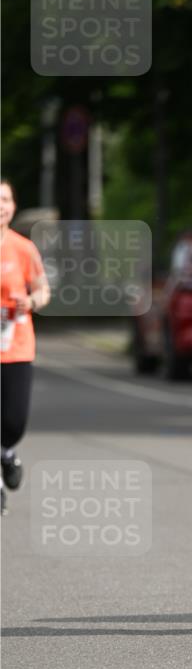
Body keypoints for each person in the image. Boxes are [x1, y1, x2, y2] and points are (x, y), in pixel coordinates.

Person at [1, 179, 50, 516]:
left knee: (13, 422)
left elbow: (43, 290)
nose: (0, 206)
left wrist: (31, 301)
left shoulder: (23, 248)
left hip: (16, 346)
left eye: (5, 199)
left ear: (13, 206)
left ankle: (6, 453)